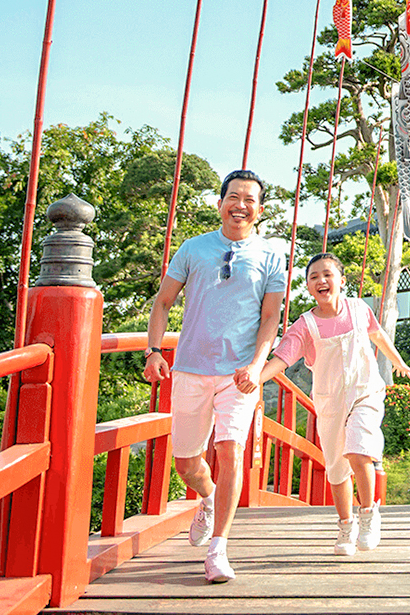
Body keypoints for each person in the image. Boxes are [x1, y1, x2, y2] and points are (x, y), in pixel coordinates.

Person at [143, 168, 286, 583]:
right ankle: (205, 499)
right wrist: (153, 350)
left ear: (259, 210)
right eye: (234, 197)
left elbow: (270, 319)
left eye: (250, 200)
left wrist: (257, 367)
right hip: (189, 367)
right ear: (220, 202)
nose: (241, 205)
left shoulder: (272, 256)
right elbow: (163, 303)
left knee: (229, 450)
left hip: (239, 373)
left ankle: (218, 550)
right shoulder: (193, 249)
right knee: (187, 462)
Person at [248, 252, 410, 555]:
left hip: (366, 393)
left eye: (327, 274)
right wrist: (256, 379)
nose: (321, 281)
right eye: (314, 277)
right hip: (330, 403)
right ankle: (345, 525)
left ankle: (368, 513)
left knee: (359, 449)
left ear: (341, 280)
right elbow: (282, 358)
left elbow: (378, 336)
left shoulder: (359, 309)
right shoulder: (305, 325)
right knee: (337, 469)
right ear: (309, 288)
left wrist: (398, 362)